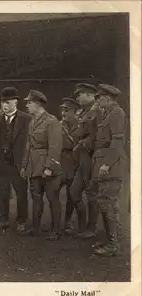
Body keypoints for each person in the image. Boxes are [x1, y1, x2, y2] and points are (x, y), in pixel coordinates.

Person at [0, 87, 32, 233]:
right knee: (1, 192)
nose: (4, 105)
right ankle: (3, 219)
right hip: (1, 162)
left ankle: (21, 221)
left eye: (7, 102)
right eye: (2, 102)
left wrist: (26, 163)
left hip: (18, 163)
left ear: (15, 102)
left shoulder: (26, 119)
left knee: (21, 193)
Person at [90, 84, 127, 257]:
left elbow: (117, 141)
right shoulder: (107, 113)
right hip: (104, 163)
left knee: (108, 203)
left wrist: (107, 164)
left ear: (107, 98)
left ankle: (113, 244)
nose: (97, 100)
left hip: (111, 165)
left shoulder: (117, 114)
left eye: (99, 97)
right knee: (105, 203)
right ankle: (110, 240)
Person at [21, 90, 62, 241]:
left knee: (52, 198)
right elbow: (28, 146)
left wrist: (49, 167)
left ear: (37, 104)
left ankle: (56, 230)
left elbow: (55, 146)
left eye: (29, 103)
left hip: (46, 165)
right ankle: (35, 227)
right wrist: (24, 165)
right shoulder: (33, 121)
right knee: (36, 197)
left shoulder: (52, 121)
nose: (27, 105)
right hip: (34, 165)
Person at [71, 83, 101, 240]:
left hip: (91, 157)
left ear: (90, 95)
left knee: (91, 192)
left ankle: (91, 228)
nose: (77, 97)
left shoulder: (97, 111)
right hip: (81, 158)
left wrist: (85, 142)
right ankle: (83, 225)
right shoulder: (83, 112)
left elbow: (99, 135)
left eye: (80, 94)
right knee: (74, 192)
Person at [59, 97, 87, 235]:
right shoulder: (57, 125)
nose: (63, 113)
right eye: (62, 110)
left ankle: (69, 222)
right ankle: (56, 223)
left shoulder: (81, 127)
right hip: (60, 164)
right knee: (52, 194)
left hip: (74, 165)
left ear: (75, 112)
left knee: (72, 197)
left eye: (67, 110)